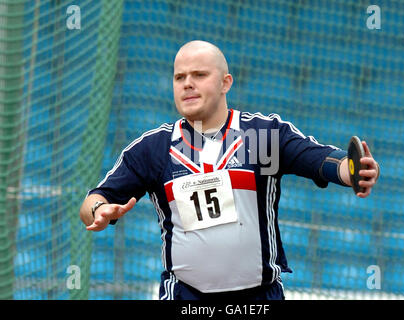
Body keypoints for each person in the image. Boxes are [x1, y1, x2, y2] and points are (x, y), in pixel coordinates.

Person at [79, 40, 380, 300]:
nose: (187, 83)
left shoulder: (263, 136)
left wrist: (352, 169)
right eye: (179, 77)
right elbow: (95, 199)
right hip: (184, 294)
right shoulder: (152, 149)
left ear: (226, 82)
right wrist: (98, 211)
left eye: (199, 74)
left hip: (259, 296)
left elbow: (320, 160)